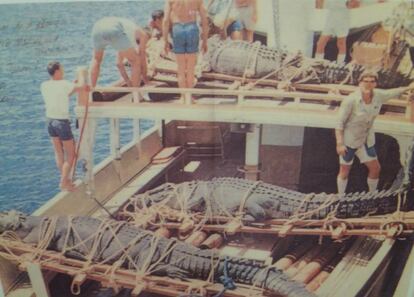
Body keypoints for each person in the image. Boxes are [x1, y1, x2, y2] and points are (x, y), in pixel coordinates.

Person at [335, 71, 414, 194]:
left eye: (372, 82)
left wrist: (409, 87)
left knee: (375, 168)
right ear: (360, 83)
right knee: (344, 171)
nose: (368, 84)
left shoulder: (379, 96)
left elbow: (394, 92)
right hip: (349, 140)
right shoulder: (350, 100)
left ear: (375, 84)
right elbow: (339, 123)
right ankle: (340, 198)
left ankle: (372, 195)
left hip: (366, 140)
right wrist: (340, 143)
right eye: (365, 81)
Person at [41, 62, 90, 192]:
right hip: (62, 123)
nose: (63, 72)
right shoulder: (64, 84)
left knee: (58, 152)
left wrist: (73, 86)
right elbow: (82, 86)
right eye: (62, 70)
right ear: (57, 71)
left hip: (50, 121)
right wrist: (81, 73)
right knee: (71, 155)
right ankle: (63, 182)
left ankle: (66, 179)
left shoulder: (44, 85)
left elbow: (62, 95)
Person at [163, 0, 209, 91]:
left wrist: (165, 41)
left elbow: (165, 21)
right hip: (191, 28)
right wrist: (205, 41)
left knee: (180, 68)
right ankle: (189, 97)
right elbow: (204, 20)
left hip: (177, 29)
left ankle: (183, 97)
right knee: (191, 67)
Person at [90, 17, 149, 88]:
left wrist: (128, 81)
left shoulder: (128, 32)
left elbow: (119, 63)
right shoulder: (143, 34)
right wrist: (145, 77)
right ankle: (135, 94)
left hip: (97, 28)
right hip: (114, 28)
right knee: (135, 61)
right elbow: (142, 57)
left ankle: (90, 93)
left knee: (96, 59)